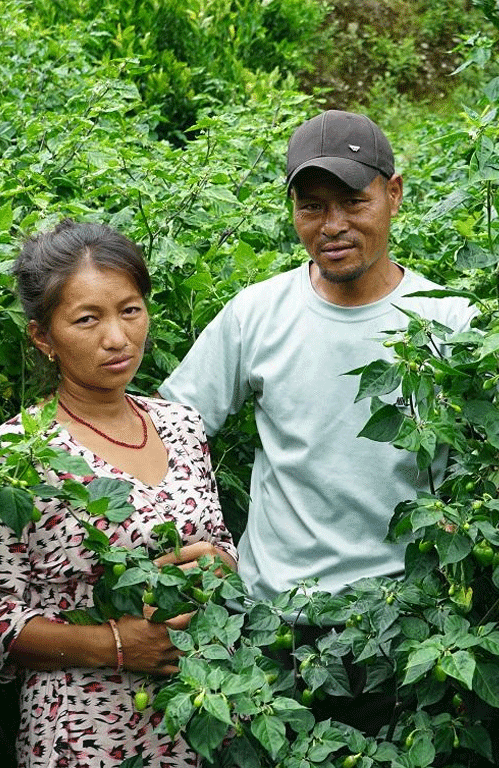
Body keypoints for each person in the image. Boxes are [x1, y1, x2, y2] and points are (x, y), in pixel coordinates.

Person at [159, 109, 476, 612]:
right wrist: (209, 541)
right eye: (311, 207)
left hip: (407, 619)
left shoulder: (452, 322)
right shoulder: (256, 314)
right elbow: (168, 430)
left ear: (393, 194)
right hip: (273, 619)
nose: (333, 227)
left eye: (354, 202)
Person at [0, 220, 237, 768]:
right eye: (88, 319)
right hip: (85, 733)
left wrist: (219, 562)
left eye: (130, 310)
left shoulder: (181, 426)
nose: (117, 337)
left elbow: (219, 542)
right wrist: (115, 644)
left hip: (206, 711)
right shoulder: (17, 457)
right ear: (43, 337)